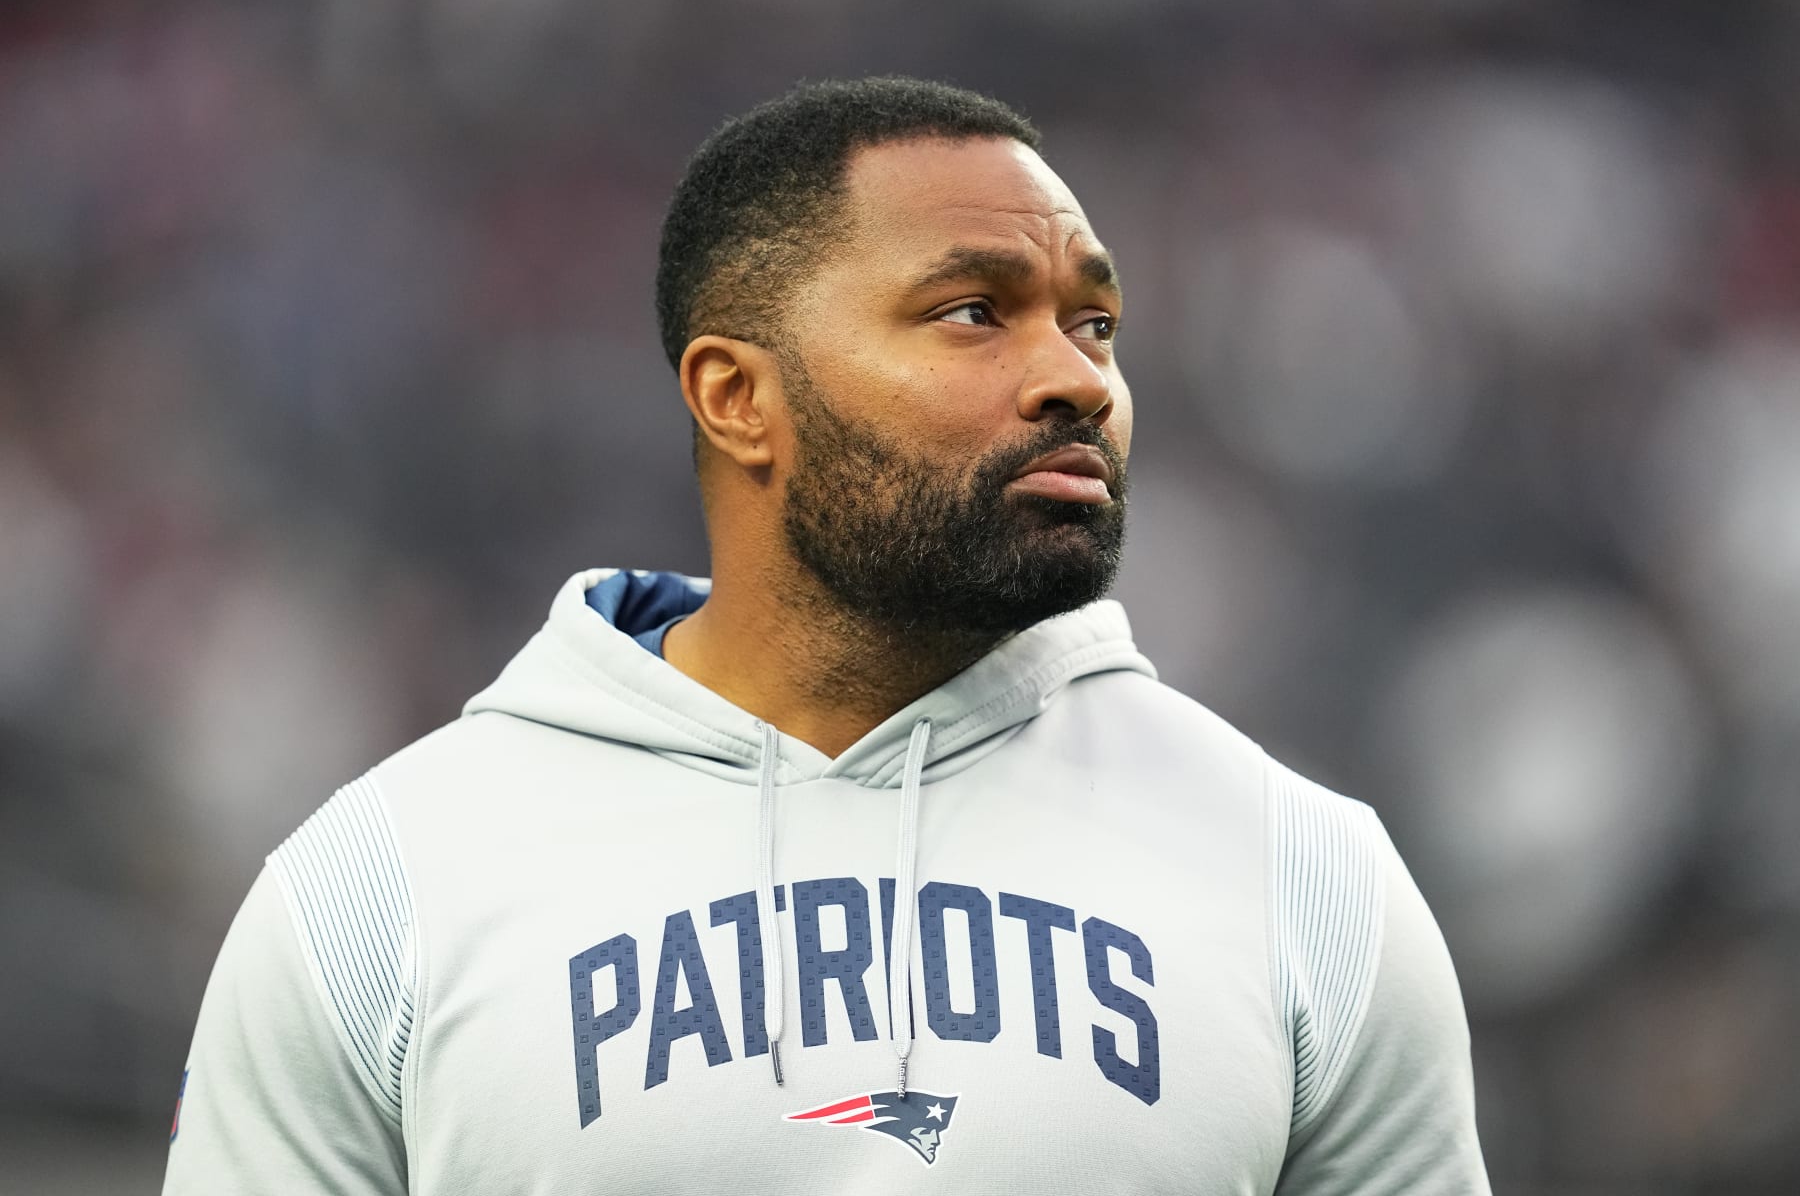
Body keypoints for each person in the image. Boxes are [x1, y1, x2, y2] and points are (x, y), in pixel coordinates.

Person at [163, 76, 1489, 1194]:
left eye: (1094, 323)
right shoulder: (373, 898)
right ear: (738, 397)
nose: (1078, 377)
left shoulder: (1311, 883)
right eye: (975, 311)